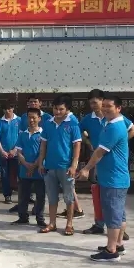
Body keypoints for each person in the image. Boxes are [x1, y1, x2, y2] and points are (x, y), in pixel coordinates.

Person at [77, 95, 131, 262]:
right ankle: (118, 245)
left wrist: (86, 169)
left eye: (109, 106)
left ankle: (111, 250)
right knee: (119, 214)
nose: (105, 109)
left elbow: (99, 152)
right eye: (104, 105)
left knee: (113, 215)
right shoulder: (112, 123)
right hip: (114, 177)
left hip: (114, 179)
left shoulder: (114, 127)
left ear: (118, 108)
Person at [37, 95, 82, 235]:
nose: (57, 112)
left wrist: (74, 165)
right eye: (55, 108)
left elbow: (77, 145)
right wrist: (41, 162)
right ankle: (52, 223)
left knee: (69, 197)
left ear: (67, 109)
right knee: (52, 197)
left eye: (61, 109)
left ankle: (69, 224)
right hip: (50, 166)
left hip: (66, 167)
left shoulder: (73, 124)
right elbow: (43, 145)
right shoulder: (48, 123)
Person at [11, 108, 46, 227]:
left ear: (39, 119)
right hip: (24, 170)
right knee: (23, 196)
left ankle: (40, 218)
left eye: (34, 117)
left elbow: (43, 152)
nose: (31, 120)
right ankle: (22, 217)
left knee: (40, 196)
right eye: (29, 117)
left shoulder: (43, 134)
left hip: (39, 170)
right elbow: (19, 151)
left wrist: (34, 165)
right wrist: (26, 164)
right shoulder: (23, 134)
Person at [0, 103, 21, 204]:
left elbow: (22, 136)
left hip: (17, 152)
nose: (8, 111)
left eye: (10, 108)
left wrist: (15, 149)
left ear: (13, 108)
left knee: (20, 174)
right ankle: (7, 195)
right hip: (3, 153)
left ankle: (24, 195)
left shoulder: (19, 120)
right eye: (5, 109)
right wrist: (2, 151)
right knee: (5, 174)